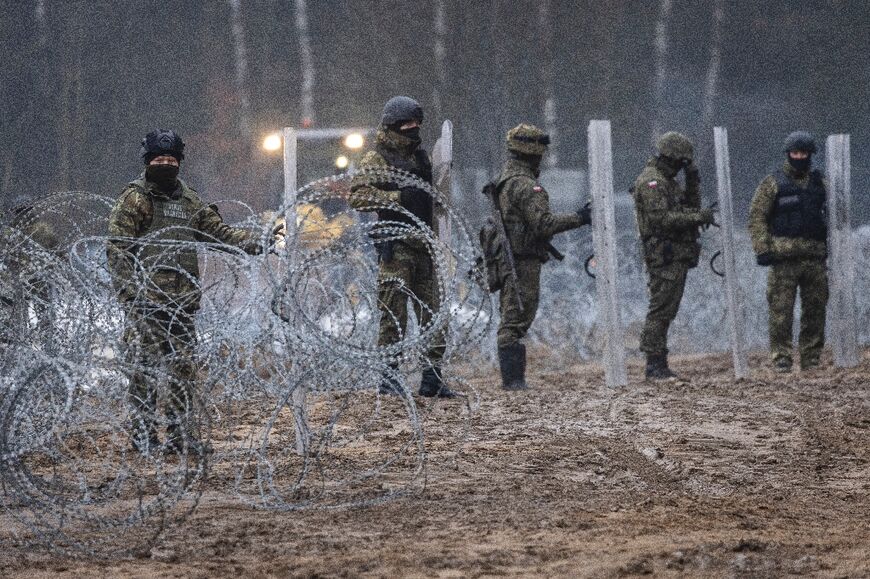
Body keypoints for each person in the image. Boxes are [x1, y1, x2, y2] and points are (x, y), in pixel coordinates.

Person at [107, 129, 276, 454]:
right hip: (146, 303)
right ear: (147, 161)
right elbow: (117, 250)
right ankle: (143, 438)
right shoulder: (136, 198)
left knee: (183, 371)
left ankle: (178, 436)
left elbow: (218, 234)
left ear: (180, 162)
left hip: (182, 303)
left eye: (171, 159)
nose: (165, 164)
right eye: (159, 159)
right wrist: (130, 297)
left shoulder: (189, 200)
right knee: (144, 373)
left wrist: (259, 242)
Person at [348, 96, 456, 398]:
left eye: (417, 124)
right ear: (394, 126)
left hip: (424, 247)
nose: (414, 129)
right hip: (396, 248)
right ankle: (390, 377)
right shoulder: (378, 159)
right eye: (408, 125)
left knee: (434, 316)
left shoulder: (421, 158)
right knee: (394, 316)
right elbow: (357, 196)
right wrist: (397, 199)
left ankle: (432, 378)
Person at [493, 124, 592, 390]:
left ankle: (514, 381)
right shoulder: (525, 185)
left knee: (516, 315)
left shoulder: (507, 179)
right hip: (521, 259)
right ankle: (513, 382)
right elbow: (544, 224)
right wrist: (580, 218)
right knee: (516, 319)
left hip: (514, 255)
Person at [632, 132, 715, 380]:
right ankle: (654, 363)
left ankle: (658, 362)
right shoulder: (652, 182)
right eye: (681, 164)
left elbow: (690, 205)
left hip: (675, 252)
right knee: (661, 308)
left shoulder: (668, 181)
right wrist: (697, 217)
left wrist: (693, 180)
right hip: (664, 253)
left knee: (667, 307)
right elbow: (662, 219)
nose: (681, 168)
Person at [748, 131, 828, 372]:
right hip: (783, 259)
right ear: (788, 154)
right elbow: (757, 217)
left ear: (810, 155)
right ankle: (781, 357)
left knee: (815, 311)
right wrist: (762, 249)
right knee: (781, 312)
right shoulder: (773, 183)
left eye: (803, 153)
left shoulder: (820, 183)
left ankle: (811, 358)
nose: (799, 157)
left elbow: (834, 215)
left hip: (814, 257)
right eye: (795, 153)